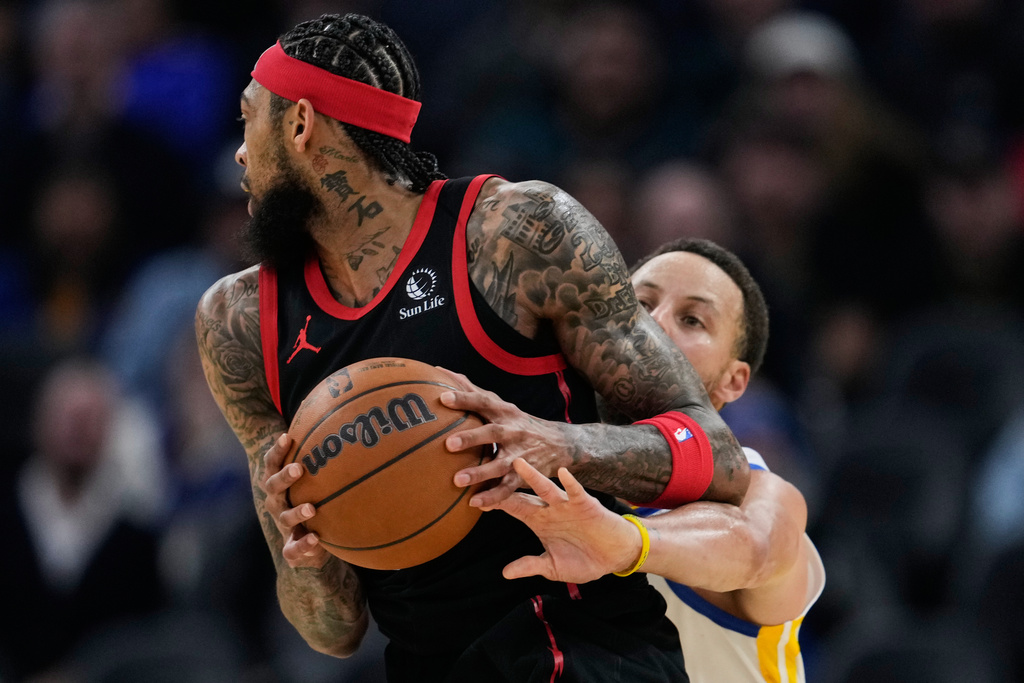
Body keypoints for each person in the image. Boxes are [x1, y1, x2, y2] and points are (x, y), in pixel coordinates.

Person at [194, 13, 749, 683]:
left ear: (301, 125)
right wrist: (305, 556)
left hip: (589, 651)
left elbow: (716, 455)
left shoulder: (513, 234)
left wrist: (561, 443)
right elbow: (332, 631)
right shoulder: (241, 321)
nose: (240, 154)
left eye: (248, 120)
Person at [484, 238, 826, 682]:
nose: (653, 324)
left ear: (733, 381)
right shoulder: (540, 466)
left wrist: (625, 541)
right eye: (637, 304)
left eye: (691, 319)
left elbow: (756, 546)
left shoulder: (759, 490)